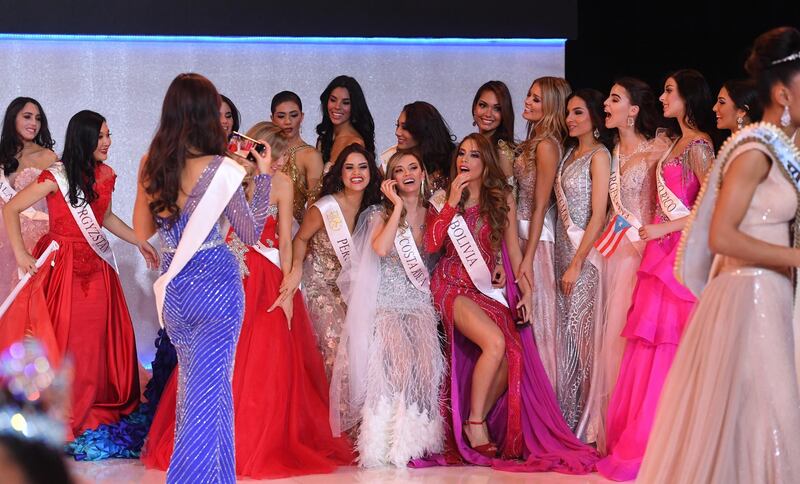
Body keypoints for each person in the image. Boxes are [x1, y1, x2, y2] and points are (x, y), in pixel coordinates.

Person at [142, 122, 353, 478]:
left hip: (265, 277)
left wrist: (289, 286)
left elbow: (285, 240)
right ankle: (210, 448)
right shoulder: (227, 177)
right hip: (224, 274)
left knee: (266, 365)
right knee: (218, 364)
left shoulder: (281, 184)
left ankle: (254, 443)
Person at [639, 26, 800, 484]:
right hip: (748, 290)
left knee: (766, 415)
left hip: (769, 290)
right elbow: (721, 235)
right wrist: (797, 257)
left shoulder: (782, 148)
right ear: (784, 92)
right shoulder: (753, 150)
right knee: (764, 412)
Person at [421, 133, 598, 473]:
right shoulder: (445, 197)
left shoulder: (501, 197)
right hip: (450, 285)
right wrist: (450, 203)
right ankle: (475, 423)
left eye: (474, 155)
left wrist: (526, 290)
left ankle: (473, 421)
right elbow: (431, 244)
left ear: (486, 161)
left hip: (483, 289)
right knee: (496, 341)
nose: (465, 160)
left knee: (513, 354)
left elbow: (513, 253)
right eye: (462, 153)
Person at [132, 73, 272, 484]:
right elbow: (250, 232)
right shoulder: (222, 168)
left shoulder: (150, 165)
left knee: (202, 393)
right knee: (208, 397)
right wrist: (261, 178)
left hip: (175, 290)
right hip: (217, 286)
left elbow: (144, 234)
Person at [2, 110, 156, 440]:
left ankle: (90, 403)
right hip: (63, 267)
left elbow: (106, 218)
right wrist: (21, 253)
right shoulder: (54, 176)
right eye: (101, 136)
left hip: (97, 268)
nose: (107, 142)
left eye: (109, 135)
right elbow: (10, 208)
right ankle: (64, 409)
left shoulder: (107, 174)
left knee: (94, 340)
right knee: (66, 339)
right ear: (84, 138)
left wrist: (139, 240)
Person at [597, 69, 715, 480]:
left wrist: (664, 227)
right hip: (657, 254)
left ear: (688, 97)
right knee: (647, 345)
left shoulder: (699, 145)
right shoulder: (675, 142)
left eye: (669, 91)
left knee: (669, 345)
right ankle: (648, 434)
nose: (663, 98)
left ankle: (673, 438)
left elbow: (710, 206)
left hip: (676, 255)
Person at [332, 150, 445, 467]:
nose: (407, 173)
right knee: (398, 366)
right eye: (399, 169)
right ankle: (386, 444)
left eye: (413, 167)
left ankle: (418, 441)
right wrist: (397, 207)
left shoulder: (434, 212)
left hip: (420, 302)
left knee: (427, 366)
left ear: (422, 173)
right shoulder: (378, 214)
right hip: (388, 303)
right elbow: (381, 249)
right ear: (390, 179)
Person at [587, 77, 670, 453]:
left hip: (643, 256)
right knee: (612, 339)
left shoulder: (658, 149)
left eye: (615, 99)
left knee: (634, 340)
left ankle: (642, 426)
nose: (606, 103)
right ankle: (615, 427)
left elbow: (665, 208)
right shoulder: (608, 152)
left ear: (633, 110)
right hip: (615, 255)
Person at [278, 143, 382, 380]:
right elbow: (301, 239)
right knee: (336, 350)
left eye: (363, 167)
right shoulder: (325, 207)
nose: (357, 173)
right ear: (340, 173)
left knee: (365, 347)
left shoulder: (374, 210)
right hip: (320, 286)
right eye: (350, 167)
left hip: (350, 289)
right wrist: (295, 270)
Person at [553, 89, 611, 440]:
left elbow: (598, 215)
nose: (570, 119)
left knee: (584, 339)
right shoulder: (568, 154)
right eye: (568, 114)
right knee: (568, 341)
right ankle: (569, 419)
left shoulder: (600, 156)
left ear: (593, 117)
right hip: (562, 252)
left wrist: (576, 263)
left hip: (584, 258)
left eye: (578, 113)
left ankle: (590, 426)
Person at [513, 76, 571, 387]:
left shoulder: (547, 146)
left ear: (550, 107)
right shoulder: (531, 142)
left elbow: (539, 205)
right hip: (519, 237)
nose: (528, 102)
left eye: (536, 99)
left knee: (538, 320)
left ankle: (544, 396)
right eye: (529, 95)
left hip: (536, 241)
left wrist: (529, 257)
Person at [0, 97, 56, 300]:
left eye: (38, 119)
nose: (34, 123)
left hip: (35, 242)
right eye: (27, 117)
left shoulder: (49, 158)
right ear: (12, 118)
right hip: (3, 243)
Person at [271, 91, 324, 223]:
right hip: (261, 231)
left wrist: (301, 240)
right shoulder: (265, 151)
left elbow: (315, 206)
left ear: (302, 117)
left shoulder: (311, 156)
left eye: (294, 115)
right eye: (281, 116)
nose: (288, 121)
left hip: (293, 232)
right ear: (272, 118)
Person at [380, 101, 456, 194]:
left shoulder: (452, 159)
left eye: (405, 127)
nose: (397, 132)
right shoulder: (389, 159)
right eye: (397, 125)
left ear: (423, 130)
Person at [315, 76, 376, 168]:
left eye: (346, 102)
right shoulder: (324, 138)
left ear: (355, 107)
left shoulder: (355, 143)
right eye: (333, 100)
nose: (337, 107)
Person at [472, 81, 516, 179]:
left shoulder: (502, 151)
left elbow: (508, 193)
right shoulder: (471, 144)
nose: (488, 114)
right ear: (475, 107)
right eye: (483, 105)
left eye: (497, 109)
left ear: (505, 113)